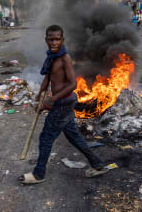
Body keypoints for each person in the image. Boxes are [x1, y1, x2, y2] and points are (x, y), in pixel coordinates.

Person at [19, 25, 108, 184]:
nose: (53, 42)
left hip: (63, 102)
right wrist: (40, 96)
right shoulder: (51, 57)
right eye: (50, 39)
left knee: (46, 138)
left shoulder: (64, 58)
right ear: (46, 40)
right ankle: (97, 164)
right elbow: (47, 78)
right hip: (63, 103)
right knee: (73, 136)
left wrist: (51, 100)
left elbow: (72, 84)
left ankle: (39, 174)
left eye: (57, 39)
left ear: (62, 40)